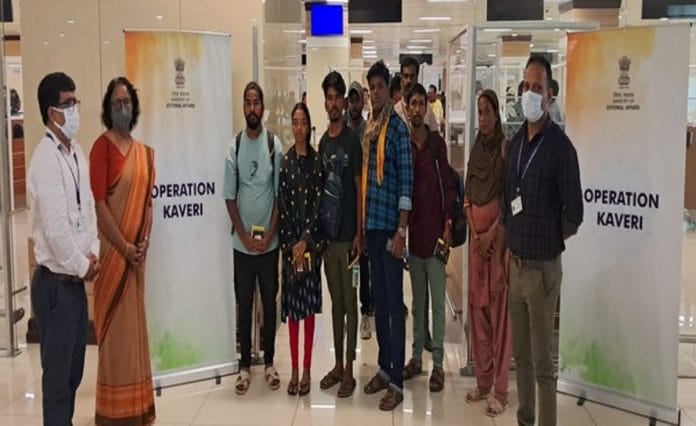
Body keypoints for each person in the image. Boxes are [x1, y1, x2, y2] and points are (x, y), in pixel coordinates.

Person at [502, 56, 583, 426]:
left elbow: (574, 214)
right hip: (516, 266)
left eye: (538, 88)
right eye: (526, 86)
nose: (530, 94)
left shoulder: (561, 149)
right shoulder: (516, 143)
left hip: (543, 269)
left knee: (543, 363)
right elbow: (509, 199)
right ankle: (525, 418)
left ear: (550, 95)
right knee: (521, 356)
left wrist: (547, 239)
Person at [29, 72, 100, 425]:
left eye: (75, 101)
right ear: (51, 112)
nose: (74, 110)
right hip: (55, 285)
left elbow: (89, 208)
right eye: (67, 104)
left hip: (74, 284)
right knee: (57, 380)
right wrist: (82, 265)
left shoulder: (77, 153)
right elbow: (56, 231)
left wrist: (94, 250)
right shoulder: (45, 159)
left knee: (73, 372)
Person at [89, 77, 156, 425]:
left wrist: (144, 243)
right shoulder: (101, 148)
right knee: (116, 340)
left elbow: (148, 204)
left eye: (126, 101)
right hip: (114, 259)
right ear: (107, 108)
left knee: (134, 338)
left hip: (136, 261)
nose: (122, 108)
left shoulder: (144, 153)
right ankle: (114, 415)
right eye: (116, 103)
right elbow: (100, 206)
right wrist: (125, 247)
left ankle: (137, 409)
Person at [224, 81, 284, 395]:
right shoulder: (234, 147)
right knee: (244, 304)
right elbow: (229, 198)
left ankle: (270, 362)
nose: (252, 108)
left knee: (269, 304)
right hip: (242, 246)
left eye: (256, 102)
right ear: (243, 107)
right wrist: (246, 237)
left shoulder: (274, 145)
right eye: (247, 102)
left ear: (263, 106)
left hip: (269, 245)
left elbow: (280, 198)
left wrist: (269, 234)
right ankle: (245, 366)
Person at [361, 60, 413, 411]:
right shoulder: (369, 129)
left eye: (380, 87)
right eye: (372, 88)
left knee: (395, 307)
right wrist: (365, 230)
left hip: (392, 231)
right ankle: (383, 366)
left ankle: (396, 379)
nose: (376, 93)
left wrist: (401, 231)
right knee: (379, 304)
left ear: (388, 89)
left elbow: (406, 183)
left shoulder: (397, 129)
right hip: (373, 229)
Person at [401, 83, 455, 393]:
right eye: (413, 104)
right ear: (407, 108)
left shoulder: (436, 145)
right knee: (418, 303)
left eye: (422, 103)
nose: (418, 109)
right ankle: (415, 357)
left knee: (437, 305)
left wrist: (448, 224)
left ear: (427, 107)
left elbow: (447, 185)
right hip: (414, 237)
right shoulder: (404, 146)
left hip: (436, 238)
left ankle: (438, 364)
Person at [463, 89, 512, 417]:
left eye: (487, 112)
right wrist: (475, 231)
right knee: (478, 315)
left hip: (497, 247)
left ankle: (501, 389)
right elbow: (468, 195)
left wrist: (492, 234)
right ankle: (482, 382)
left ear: (497, 114)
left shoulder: (505, 151)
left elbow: (509, 201)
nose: (482, 118)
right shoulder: (476, 149)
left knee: (499, 318)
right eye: (479, 112)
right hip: (477, 247)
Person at [317, 71, 362, 398]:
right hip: (329, 239)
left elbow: (360, 189)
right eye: (329, 98)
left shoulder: (351, 140)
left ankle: (349, 368)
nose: (333, 104)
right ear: (325, 103)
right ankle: (336, 365)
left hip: (349, 238)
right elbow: (321, 192)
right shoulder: (323, 142)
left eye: (337, 98)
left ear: (344, 103)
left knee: (350, 303)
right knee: (335, 305)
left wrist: (360, 233)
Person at [279, 102, 324, 397]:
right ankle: (294, 369)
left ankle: (307, 368)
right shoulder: (285, 163)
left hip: (310, 248)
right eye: (295, 122)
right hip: (290, 248)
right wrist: (292, 244)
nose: (298, 128)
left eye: (303, 122)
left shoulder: (317, 162)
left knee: (308, 312)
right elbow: (282, 206)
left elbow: (319, 207)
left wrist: (305, 240)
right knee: (294, 313)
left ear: (309, 126)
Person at [346, 81, 374, 340]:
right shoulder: (341, 131)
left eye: (357, 100)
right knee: (347, 266)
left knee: (364, 265)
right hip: (345, 210)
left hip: (364, 205)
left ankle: (366, 312)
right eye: (351, 100)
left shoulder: (368, 132)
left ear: (362, 102)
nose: (354, 105)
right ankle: (350, 315)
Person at [394, 56, 438, 134]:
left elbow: (435, 135)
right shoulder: (395, 112)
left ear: (417, 78)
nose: (409, 80)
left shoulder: (427, 109)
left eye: (412, 76)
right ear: (401, 78)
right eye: (406, 76)